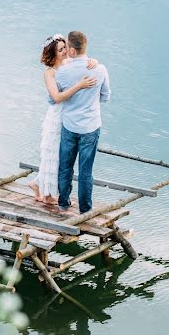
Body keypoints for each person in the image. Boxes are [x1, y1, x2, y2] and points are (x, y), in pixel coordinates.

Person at [29, 34, 99, 204]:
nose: (65, 51)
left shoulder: (69, 65)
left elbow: (83, 63)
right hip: (57, 115)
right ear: (53, 54)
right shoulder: (49, 73)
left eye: (65, 48)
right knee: (53, 154)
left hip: (70, 115)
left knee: (61, 156)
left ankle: (40, 185)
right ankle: (47, 193)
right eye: (60, 50)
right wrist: (79, 85)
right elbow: (57, 97)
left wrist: (93, 62)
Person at [55, 31, 110, 213]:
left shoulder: (62, 72)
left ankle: (63, 203)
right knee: (85, 171)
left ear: (71, 50)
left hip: (69, 125)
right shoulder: (100, 69)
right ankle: (85, 210)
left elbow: (55, 98)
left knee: (65, 167)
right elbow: (105, 96)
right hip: (90, 126)